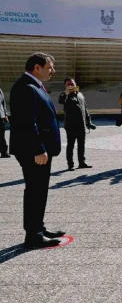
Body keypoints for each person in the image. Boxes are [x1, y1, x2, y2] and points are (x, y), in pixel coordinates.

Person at [10, 52, 65, 248]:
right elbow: (26, 122)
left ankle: (38, 228)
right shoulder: (26, 87)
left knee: (39, 190)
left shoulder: (33, 85)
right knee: (35, 190)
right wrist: (38, 149)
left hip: (38, 149)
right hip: (33, 150)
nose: (53, 71)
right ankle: (33, 235)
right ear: (37, 67)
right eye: (50, 67)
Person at [58, 78, 96, 171]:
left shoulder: (80, 94)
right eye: (68, 84)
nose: (71, 85)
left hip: (81, 124)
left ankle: (82, 162)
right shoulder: (64, 94)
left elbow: (85, 109)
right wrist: (66, 93)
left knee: (81, 145)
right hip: (70, 125)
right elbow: (60, 101)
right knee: (70, 145)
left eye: (72, 83)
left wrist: (89, 122)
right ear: (66, 86)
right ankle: (70, 164)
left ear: (75, 83)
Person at [0, 88, 9, 158]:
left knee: (1, 135)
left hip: (0, 116)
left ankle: (4, 152)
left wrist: (5, 114)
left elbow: (3, 103)